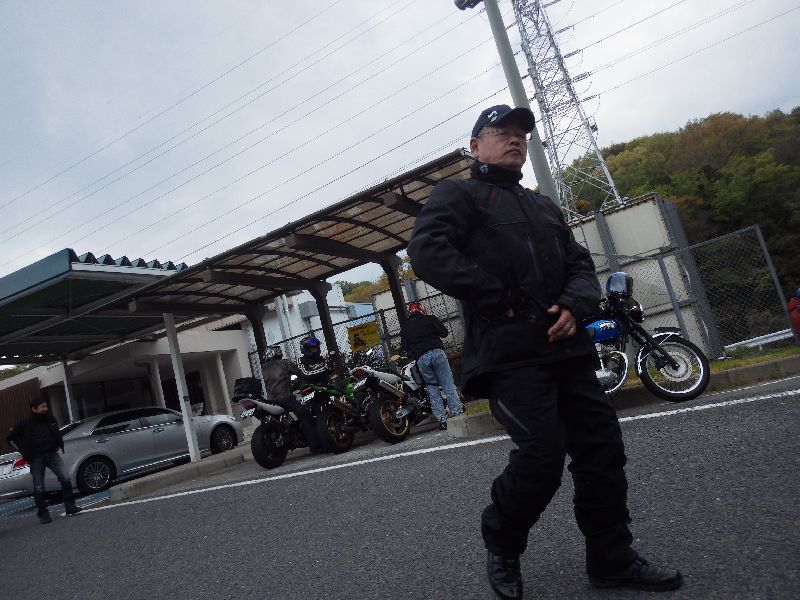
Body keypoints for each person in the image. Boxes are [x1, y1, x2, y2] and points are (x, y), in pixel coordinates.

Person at [407, 104, 682, 598]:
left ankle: (611, 559)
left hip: (569, 352)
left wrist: (576, 304)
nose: (514, 139)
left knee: (602, 451)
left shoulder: (543, 206)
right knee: (541, 457)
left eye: (520, 133)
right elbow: (427, 251)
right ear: (475, 146)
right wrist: (496, 295)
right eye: (501, 131)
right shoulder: (459, 195)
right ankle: (502, 541)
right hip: (510, 356)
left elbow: (580, 265)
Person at [7, 399, 82, 524]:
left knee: (65, 478)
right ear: (34, 409)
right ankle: (43, 513)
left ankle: (70, 506)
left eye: (46, 406)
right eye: (42, 407)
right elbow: (10, 439)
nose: (45, 409)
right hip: (36, 457)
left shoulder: (51, 420)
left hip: (52, 454)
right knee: (39, 486)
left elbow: (56, 433)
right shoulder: (24, 424)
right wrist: (23, 451)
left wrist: (58, 444)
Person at [400, 301, 464, 429]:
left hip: (421, 358)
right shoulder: (430, 319)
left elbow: (406, 347)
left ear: (409, 313)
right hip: (437, 353)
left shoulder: (405, 328)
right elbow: (444, 333)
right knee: (447, 384)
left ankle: (442, 420)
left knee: (432, 387)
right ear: (422, 310)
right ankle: (457, 413)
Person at [260, 345, 321, 452]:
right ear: (277, 353)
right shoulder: (284, 363)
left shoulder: (264, 368)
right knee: (304, 414)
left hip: (271, 400)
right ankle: (315, 445)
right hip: (285, 398)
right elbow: (300, 373)